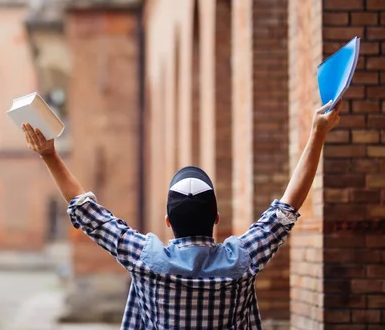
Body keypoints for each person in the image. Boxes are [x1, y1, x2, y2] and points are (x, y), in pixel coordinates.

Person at [22, 99, 341, 329]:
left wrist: (49, 154)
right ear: (216, 218)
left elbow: (87, 210)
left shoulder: (146, 257)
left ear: (168, 221)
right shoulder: (241, 260)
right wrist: (318, 134)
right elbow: (288, 207)